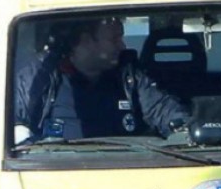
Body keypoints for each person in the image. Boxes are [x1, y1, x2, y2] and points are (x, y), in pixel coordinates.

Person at [14, 17, 190, 142]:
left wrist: (185, 130)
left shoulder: (130, 77)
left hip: (128, 171)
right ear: (85, 41)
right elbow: (12, 126)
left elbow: (163, 111)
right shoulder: (39, 78)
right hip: (56, 177)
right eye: (115, 39)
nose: (122, 45)